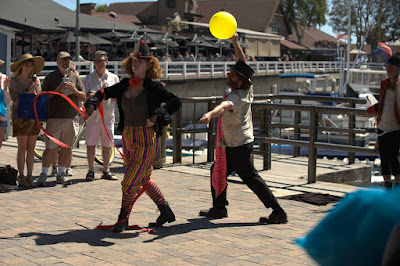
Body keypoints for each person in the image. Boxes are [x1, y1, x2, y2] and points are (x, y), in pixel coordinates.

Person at [84, 39, 181, 232]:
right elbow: (104, 93)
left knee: (129, 181)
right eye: (134, 60)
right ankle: (165, 209)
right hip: (128, 137)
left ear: (149, 65)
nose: (136, 63)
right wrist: (93, 101)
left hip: (147, 139)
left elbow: (174, 101)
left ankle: (123, 219)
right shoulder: (124, 84)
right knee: (142, 178)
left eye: (141, 61)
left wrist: (157, 115)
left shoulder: (153, 87)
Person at [198, 33, 288, 224]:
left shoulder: (237, 97)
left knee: (251, 178)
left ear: (239, 80)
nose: (228, 75)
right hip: (234, 144)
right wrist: (235, 42)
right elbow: (243, 61)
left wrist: (210, 115)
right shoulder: (247, 87)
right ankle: (219, 208)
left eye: (232, 75)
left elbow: (223, 107)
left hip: (238, 146)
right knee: (218, 171)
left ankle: (278, 211)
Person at [36, 51, 86, 186]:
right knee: (50, 148)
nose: (66, 63)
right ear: (57, 61)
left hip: (71, 118)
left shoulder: (75, 77)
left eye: (68, 60)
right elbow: (43, 97)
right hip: (54, 118)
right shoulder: (50, 77)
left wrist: (74, 90)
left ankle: (62, 173)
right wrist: (58, 89)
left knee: (67, 148)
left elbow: (84, 96)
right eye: (63, 60)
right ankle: (44, 174)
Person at [9, 54, 44, 188]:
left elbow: (39, 99)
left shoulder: (36, 81)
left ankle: (30, 175)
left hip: (33, 116)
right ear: (21, 66)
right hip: (21, 117)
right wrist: (29, 92)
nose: (29, 68)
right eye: (27, 65)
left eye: (31, 66)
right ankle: (21, 175)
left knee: (31, 148)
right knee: (22, 148)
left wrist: (34, 92)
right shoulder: (14, 81)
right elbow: (16, 101)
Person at [84, 50, 119, 181]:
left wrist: (107, 92)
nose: (100, 63)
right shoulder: (88, 78)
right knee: (91, 145)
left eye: (102, 60)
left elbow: (117, 96)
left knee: (107, 145)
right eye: (97, 61)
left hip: (108, 117)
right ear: (94, 62)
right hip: (93, 117)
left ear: (107, 62)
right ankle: (91, 170)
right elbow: (85, 96)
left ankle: (106, 170)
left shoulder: (113, 78)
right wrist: (97, 93)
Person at [368, 54, 400, 189]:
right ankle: (387, 189)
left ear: (398, 69)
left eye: (391, 68)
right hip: (382, 125)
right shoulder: (384, 84)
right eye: (387, 68)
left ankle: (397, 191)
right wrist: (373, 108)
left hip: (396, 127)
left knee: (394, 159)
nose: (388, 70)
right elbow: (382, 103)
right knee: (384, 160)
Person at [0, 59, 11, 149]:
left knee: (0, 142)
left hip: (2, 114)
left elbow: (7, 101)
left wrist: (5, 88)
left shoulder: (3, 78)